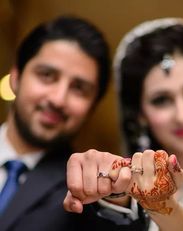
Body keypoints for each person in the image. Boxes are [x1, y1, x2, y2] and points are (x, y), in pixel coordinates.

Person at [64, 18, 183, 230]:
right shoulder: (125, 192)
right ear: (140, 115)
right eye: (161, 100)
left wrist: (160, 205)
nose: (182, 116)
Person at [0, 15, 147, 231]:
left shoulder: (83, 192)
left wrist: (115, 195)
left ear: (92, 107)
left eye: (79, 88)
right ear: (16, 77)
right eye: (47, 75)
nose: (58, 99)